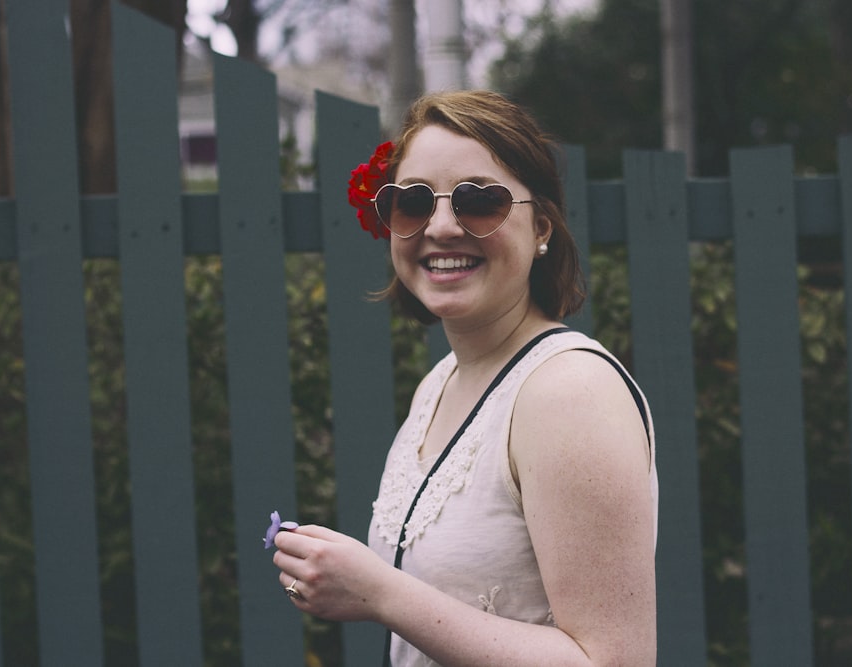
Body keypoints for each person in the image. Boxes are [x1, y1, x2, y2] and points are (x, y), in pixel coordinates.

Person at [273, 90, 658, 666]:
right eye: (413, 202)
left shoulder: (569, 393)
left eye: (480, 201)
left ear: (543, 228)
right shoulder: (443, 380)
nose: (443, 226)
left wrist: (378, 592)